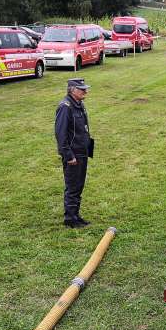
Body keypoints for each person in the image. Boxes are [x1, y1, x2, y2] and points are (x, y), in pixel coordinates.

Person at [55, 78, 94, 228]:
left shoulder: (79, 104)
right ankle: (70, 219)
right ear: (72, 90)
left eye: (85, 88)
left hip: (82, 151)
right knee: (73, 186)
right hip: (73, 154)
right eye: (82, 89)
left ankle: (76, 215)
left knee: (79, 185)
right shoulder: (65, 107)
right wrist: (68, 155)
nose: (86, 91)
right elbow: (61, 134)